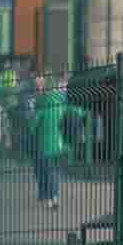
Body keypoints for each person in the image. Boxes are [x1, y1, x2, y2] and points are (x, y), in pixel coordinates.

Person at [29, 77, 88, 211]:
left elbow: (32, 126)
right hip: (61, 146)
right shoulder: (63, 106)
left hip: (45, 147)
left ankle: (51, 199)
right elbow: (79, 112)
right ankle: (54, 196)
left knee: (47, 172)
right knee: (55, 172)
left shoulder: (42, 108)